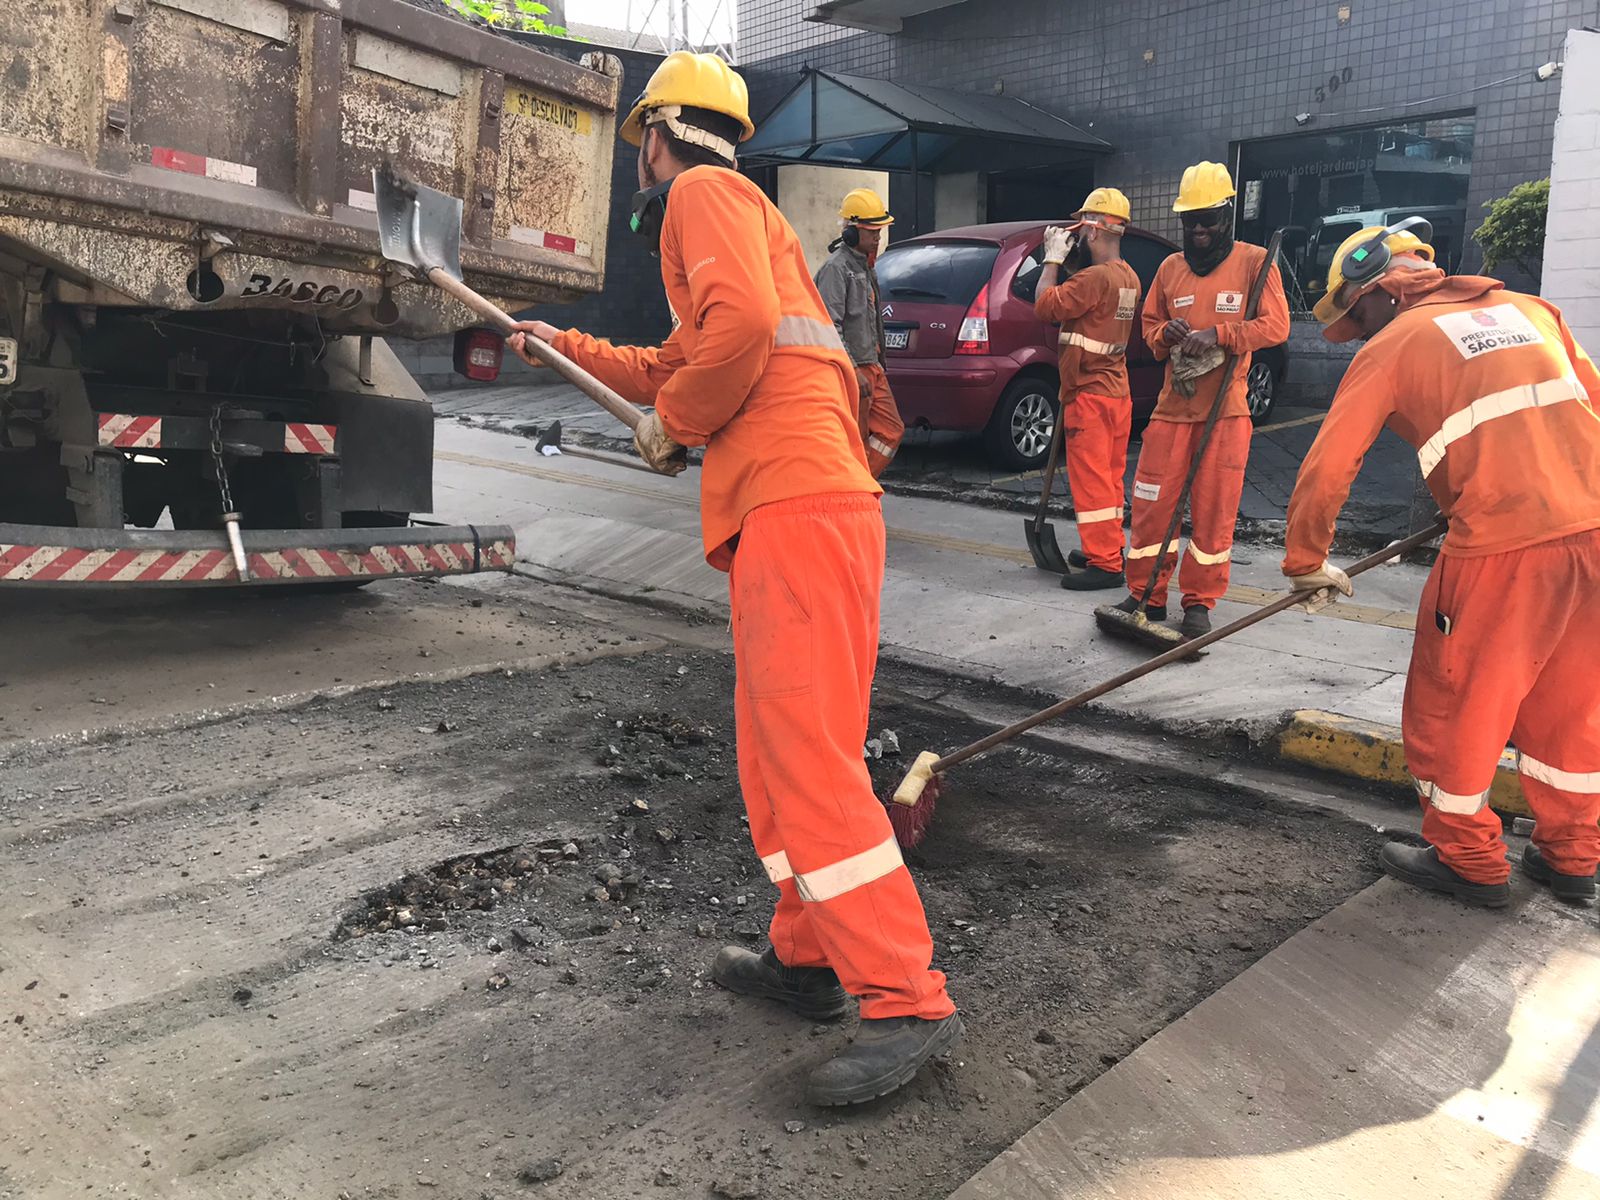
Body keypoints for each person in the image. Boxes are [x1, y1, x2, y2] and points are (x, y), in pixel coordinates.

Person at [506, 52, 961, 1105]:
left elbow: (732, 349)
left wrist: (680, 426)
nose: (638, 165)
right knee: (784, 760)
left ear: (660, 132)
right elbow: (693, 356)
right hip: (812, 511)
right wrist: (561, 345)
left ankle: (906, 997)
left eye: (638, 145)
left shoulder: (698, 195)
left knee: (806, 764)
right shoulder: (746, 215)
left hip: (798, 512)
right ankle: (806, 963)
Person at [1282, 221, 1600, 908]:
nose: (1357, 335)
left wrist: (1307, 560)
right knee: (1570, 709)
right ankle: (1573, 855)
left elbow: (1328, 467)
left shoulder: (1395, 344)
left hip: (1501, 552)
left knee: (1455, 702)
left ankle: (1467, 856)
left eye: (1354, 319)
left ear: (1374, 294)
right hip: (1594, 539)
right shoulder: (1533, 310)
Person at [1118, 161, 1289, 639]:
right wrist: (1165, 333)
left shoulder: (1255, 263)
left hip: (1225, 414)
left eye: (1207, 219)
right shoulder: (1171, 269)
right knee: (1153, 505)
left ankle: (1199, 602)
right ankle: (1144, 594)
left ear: (1227, 215)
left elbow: (1276, 327)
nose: (1197, 230)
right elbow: (1149, 328)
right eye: (1190, 220)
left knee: (1214, 512)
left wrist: (1220, 335)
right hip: (1173, 410)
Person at [1032, 187, 1141, 590]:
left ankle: (1106, 564)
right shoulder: (1128, 276)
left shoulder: (1094, 279)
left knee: (1092, 480)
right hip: (1116, 392)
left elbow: (1045, 305)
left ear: (1094, 231)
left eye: (1080, 227)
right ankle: (1108, 546)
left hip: (1090, 394)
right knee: (1110, 479)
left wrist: (1053, 259)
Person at [814, 187, 905, 477]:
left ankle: (860, 485)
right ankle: (852, 493)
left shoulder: (866, 267)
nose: (878, 237)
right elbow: (830, 325)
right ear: (852, 232)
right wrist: (852, 371)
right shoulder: (836, 269)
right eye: (872, 231)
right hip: (854, 369)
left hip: (872, 367)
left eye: (880, 231)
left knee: (891, 431)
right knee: (856, 440)